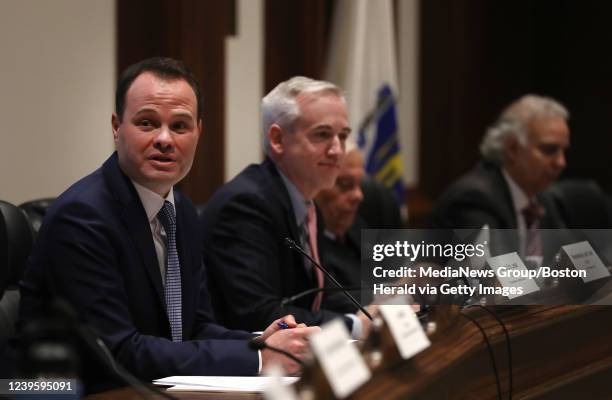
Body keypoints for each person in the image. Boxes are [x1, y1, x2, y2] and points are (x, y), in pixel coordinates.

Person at [19, 57, 316, 392]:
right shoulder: (83, 217)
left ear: (198, 133)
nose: (164, 139)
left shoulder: (181, 211)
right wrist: (259, 360)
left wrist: (261, 342)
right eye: (147, 123)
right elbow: (118, 351)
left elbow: (195, 327)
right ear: (117, 127)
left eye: (179, 126)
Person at [200, 77, 373, 338]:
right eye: (323, 135)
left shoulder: (308, 202)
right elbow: (259, 314)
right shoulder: (246, 205)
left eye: (343, 135)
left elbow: (314, 301)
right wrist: (355, 325)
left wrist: (374, 310)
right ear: (278, 139)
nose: (338, 150)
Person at [432, 94, 570, 258]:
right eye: (549, 150)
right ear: (512, 149)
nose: (561, 162)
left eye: (564, 151)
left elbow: (572, 258)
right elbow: (499, 276)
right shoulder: (474, 199)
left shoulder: (543, 198)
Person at [316, 146, 367, 298]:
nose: (359, 195)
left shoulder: (357, 225)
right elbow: (340, 304)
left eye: (360, 184)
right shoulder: (307, 247)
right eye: (345, 184)